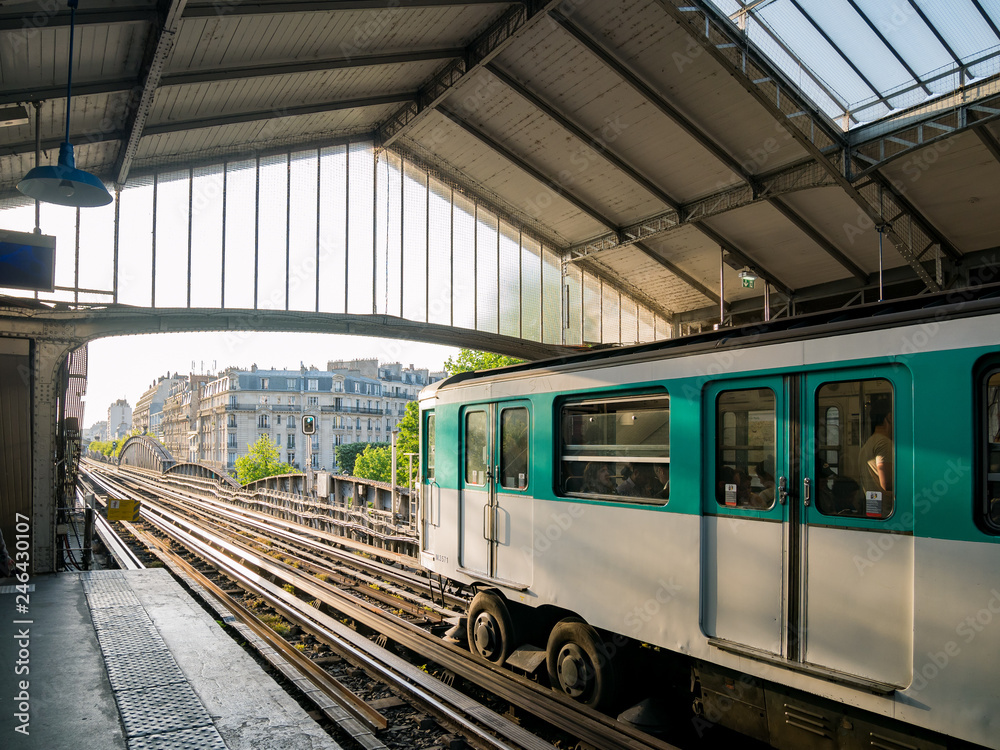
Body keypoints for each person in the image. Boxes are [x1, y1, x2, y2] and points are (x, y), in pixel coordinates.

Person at [859, 407, 893, 515]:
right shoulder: (884, 442)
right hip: (888, 511)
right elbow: (886, 484)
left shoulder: (869, 443)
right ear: (890, 417)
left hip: (875, 508)